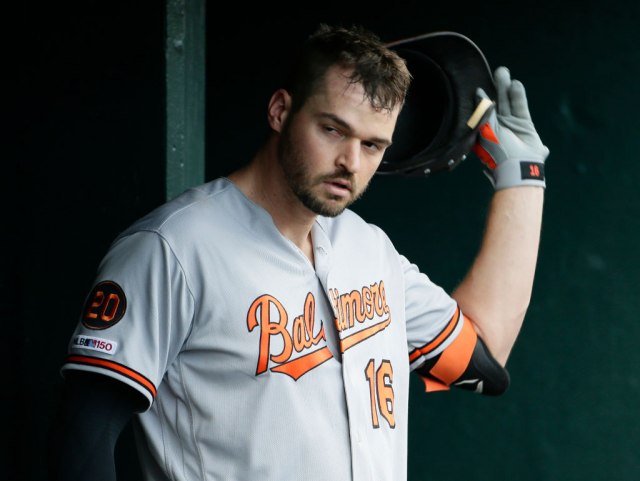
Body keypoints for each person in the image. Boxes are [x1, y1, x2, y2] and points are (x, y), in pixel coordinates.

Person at [50, 23, 548, 481]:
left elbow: (483, 358)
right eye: (333, 129)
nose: (350, 162)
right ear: (280, 111)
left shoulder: (370, 251)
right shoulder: (174, 248)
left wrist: (522, 179)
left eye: (372, 145)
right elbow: (83, 445)